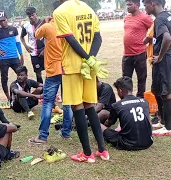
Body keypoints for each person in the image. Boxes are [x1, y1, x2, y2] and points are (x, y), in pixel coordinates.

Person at [53, 0, 109, 162]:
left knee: (77, 107)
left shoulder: (60, 11)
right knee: (89, 106)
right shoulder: (88, 8)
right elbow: (98, 38)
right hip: (89, 67)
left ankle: (87, 154)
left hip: (72, 67)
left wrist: (85, 59)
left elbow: (70, 39)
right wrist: (90, 60)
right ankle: (102, 150)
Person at [29, 1, 73, 144]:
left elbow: (36, 35)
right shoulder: (69, 26)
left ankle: (42, 136)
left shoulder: (48, 26)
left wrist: (44, 21)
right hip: (67, 69)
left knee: (48, 102)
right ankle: (66, 133)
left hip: (53, 70)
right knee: (67, 103)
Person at [101, 76, 153, 150]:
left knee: (99, 125)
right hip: (148, 142)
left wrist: (104, 123)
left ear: (120, 90)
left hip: (128, 143)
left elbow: (109, 123)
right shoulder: (144, 101)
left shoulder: (117, 105)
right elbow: (148, 122)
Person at [143, 0, 171, 136]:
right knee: (156, 89)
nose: (144, 7)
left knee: (166, 92)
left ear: (152, 3)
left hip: (165, 59)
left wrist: (160, 57)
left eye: (145, 4)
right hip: (162, 60)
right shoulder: (167, 16)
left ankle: (169, 127)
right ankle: (162, 120)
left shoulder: (160, 19)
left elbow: (167, 38)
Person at [0, 10, 24, 101]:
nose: (2, 22)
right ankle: (9, 98)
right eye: (0, 21)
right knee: (4, 79)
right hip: (4, 59)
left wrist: (21, 55)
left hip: (15, 58)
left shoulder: (14, 29)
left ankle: (23, 93)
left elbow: (18, 43)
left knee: (22, 75)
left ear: (7, 19)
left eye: (4, 20)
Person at [123, 0, 153, 98]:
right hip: (126, 54)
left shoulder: (145, 17)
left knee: (141, 78)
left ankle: (140, 99)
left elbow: (155, 29)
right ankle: (127, 100)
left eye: (130, 4)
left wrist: (148, 39)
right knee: (126, 79)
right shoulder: (126, 18)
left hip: (139, 53)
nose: (127, 6)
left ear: (137, 5)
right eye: (127, 4)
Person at [21, 7, 45, 84]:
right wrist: (26, 46)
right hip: (34, 53)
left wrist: (45, 49)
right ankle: (41, 92)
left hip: (45, 51)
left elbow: (50, 37)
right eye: (29, 16)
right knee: (38, 74)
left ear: (36, 14)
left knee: (50, 72)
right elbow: (21, 37)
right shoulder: (26, 26)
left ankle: (50, 92)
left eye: (33, 15)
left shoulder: (44, 23)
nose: (31, 17)